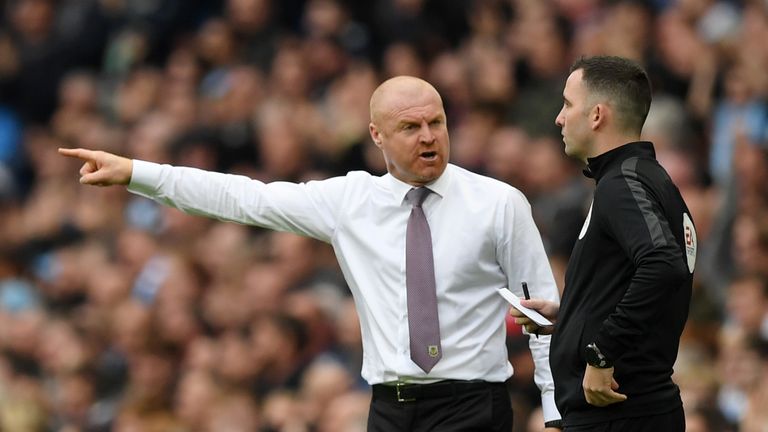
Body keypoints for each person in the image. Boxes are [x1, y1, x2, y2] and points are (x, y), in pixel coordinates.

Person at [59, 76, 563, 431]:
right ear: (377, 135)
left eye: (437, 122)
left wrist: (554, 411)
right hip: (389, 410)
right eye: (410, 128)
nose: (429, 137)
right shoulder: (348, 202)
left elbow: (541, 311)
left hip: (474, 405)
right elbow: (244, 197)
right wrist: (137, 173)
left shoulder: (498, 203)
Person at [510, 56, 696, 431]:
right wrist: (572, 317)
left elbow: (663, 264)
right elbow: (642, 278)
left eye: (567, 104)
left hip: (621, 413)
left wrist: (601, 351)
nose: (559, 118)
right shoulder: (645, 179)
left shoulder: (622, 185)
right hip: (635, 411)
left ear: (596, 115)